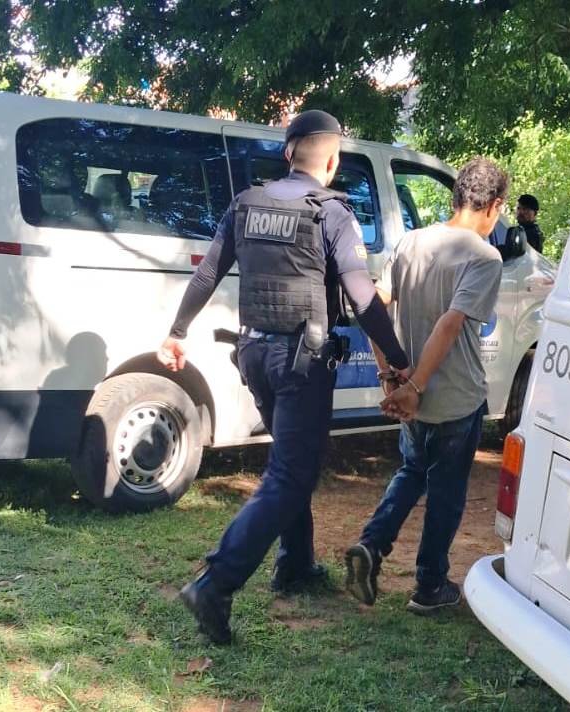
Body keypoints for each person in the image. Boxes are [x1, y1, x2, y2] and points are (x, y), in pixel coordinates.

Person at [157, 110, 410, 645]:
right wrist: (398, 358)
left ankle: (295, 564)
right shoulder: (331, 212)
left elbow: (208, 271)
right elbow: (362, 297)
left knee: (290, 463)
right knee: (291, 473)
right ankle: (215, 583)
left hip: (253, 353)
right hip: (301, 361)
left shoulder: (246, 204)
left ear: (288, 152)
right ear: (332, 160)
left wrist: (178, 331)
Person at [345, 157, 508, 613]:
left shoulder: (410, 242)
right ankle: (430, 586)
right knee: (446, 493)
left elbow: (371, 307)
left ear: (456, 196)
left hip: (408, 397)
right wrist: (413, 387)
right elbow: (451, 324)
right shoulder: (485, 257)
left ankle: (371, 545)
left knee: (412, 471)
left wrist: (391, 377)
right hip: (455, 398)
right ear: (494, 206)